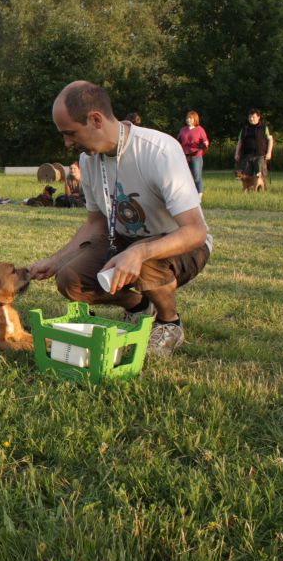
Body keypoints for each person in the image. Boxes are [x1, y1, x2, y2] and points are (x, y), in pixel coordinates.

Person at [30, 81, 211, 358]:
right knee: (70, 280)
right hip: (125, 241)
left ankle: (169, 323)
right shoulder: (89, 161)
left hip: (179, 244)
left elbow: (196, 231)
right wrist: (56, 261)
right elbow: (95, 224)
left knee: (145, 260)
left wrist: (139, 251)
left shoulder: (158, 150)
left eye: (70, 133)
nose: (67, 143)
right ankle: (140, 307)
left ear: (95, 119)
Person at [176, 110, 211, 199]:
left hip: (196, 155)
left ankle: (199, 194)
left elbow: (205, 141)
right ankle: (188, 194)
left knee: (196, 176)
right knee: (186, 176)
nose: (188, 120)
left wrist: (205, 144)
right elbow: (178, 141)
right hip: (185, 155)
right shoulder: (183, 130)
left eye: (190, 118)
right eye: (187, 118)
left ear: (195, 119)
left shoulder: (200, 129)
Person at [234, 108, 273, 180]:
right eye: (250, 117)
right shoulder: (244, 128)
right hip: (247, 155)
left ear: (258, 117)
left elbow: (270, 140)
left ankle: (261, 190)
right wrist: (237, 153)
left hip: (260, 155)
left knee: (261, 176)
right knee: (246, 176)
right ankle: (248, 190)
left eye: (253, 117)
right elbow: (240, 142)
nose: (251, 119)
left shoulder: (264, 127)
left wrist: (269, 152)